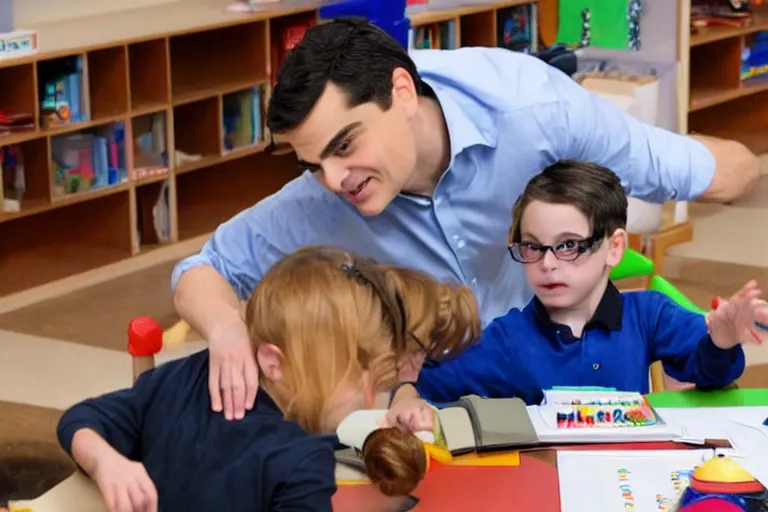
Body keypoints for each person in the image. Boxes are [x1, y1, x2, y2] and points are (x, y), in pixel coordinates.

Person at [170, 17, 760, 420]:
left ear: (402, 93)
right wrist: (226, 330)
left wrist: (736, 168)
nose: (334, 179)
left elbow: (710, 172)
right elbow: (203, 268)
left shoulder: (534, 109)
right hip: (443, 412)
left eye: (346, 146)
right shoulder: (323, 195)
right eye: (313, 162)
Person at [56, 246, 481, 512]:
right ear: (274, 362)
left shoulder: (192, 374)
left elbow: (79, 420)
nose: (372, 399)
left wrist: (108, 462)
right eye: (357, 377)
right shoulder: (300, 463)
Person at [410, 160, 764, 407]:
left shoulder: (648, 314)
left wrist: (722, 339)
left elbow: (709, 372)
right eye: (533, 246)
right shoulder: (507, 339)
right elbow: (427, 383)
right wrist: (405, 390)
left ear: (614, 248)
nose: (547, 264)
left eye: (568, 246)